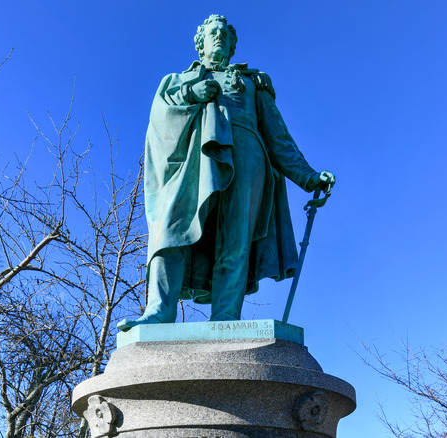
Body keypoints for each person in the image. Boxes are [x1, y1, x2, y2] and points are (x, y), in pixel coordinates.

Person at [118, 14, 334, 331]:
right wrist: (192, 95)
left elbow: (278, 137)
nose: (218, 36)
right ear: (200, 43)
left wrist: (308, 177)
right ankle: (159, 311)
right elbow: (160, 120)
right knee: (171, 226)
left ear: (233, 45)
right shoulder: (178, 81)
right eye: (212, 32)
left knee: (236, 241)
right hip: (196, 156)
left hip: (248, 155)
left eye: (224, 34)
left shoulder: (252, 82)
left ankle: (225, 318)